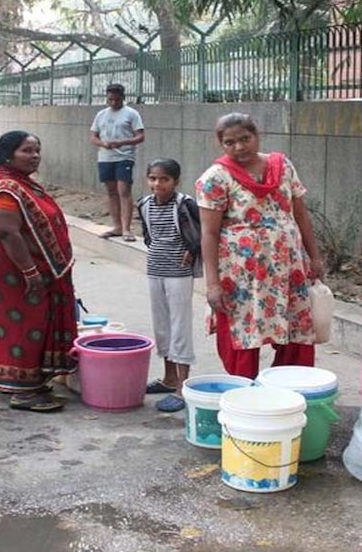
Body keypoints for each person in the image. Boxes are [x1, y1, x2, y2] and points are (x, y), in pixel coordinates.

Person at [196, 112, 324, 379]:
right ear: (221, 145)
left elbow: (300, 214)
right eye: (230, 142)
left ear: (257, 136)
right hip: (242, 276)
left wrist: (315, 256)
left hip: (288, 268)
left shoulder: (283, 166)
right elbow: (208, 233)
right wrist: (212, 284)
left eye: (245, 138)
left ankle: (289, 389)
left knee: (295, 329)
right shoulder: (215, 178)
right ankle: (244, 395)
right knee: (244, 332)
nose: (239, 147)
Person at [0, 130, 78, 413]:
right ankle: (22, 390)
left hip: (21, 265)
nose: (35, 156)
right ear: (7, 154)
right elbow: (5, 231)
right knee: (23, 325)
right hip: (12, 269)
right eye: (26, 151)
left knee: (33, 323)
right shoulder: (5, 187)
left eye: (37, 150)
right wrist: (30, 272)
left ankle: (26, 381)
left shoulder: (22, 184)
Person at [135, 158, 201, 413]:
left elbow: (204, 230)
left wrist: (192, 249)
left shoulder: (185, 205)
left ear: (176, 181)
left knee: (179, 327)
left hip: (178, 273)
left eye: (164, 179)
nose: (157, 183)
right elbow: (149, 236)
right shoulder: (145, 204)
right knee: (161, 326)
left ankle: (181, 386)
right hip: (155, 271)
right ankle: (168, 378)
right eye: (153, 178)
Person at [89, 83, 144, 241]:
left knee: (124, 191)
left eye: (117, 100)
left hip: (124, 156)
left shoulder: (131, 114)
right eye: (110, 99)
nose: (113, 103)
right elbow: (93, 136)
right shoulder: (101, 115)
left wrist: (122, 142)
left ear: (123, 98)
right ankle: (117, 226)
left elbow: (140, 136)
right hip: (105, 157)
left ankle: (127, 228)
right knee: (111, 192)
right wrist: (103, 144)